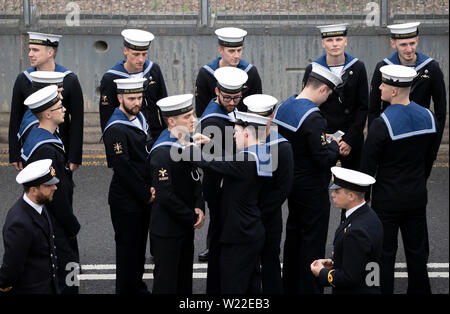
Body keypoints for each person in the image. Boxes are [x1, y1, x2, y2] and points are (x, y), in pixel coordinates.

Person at [361, 64, 440, 294]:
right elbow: (429, 157)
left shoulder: (381, 124)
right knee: (417, 254)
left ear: (394, 90)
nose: (380, 87)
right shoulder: (428, 116)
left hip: (387, 200)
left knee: (383, 254)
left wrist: (364, 199)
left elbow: (368, 167)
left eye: (384, 84)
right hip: (416, 196)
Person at [272, 63, 343, 294]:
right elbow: (323, 158)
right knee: (312, 242)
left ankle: (290, 285)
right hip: (312, 188)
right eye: (329, 93)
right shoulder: (314, 118)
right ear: (322, 88)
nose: (328, 98)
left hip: (291, 183)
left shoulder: (285, 106)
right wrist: (334, 145)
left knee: (294, 237)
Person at [191, 110, 273, 294]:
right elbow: (230, 161)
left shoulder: (245, 160)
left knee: (232, 287)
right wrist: (210, 143)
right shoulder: (262, 152)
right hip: (251, 230)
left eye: (235, 131)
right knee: (251, 285)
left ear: (246, 133)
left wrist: (190, 147)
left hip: (239, 235)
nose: (233, 135)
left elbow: (212, 163)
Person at [20, 85, 81, 294]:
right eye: (59, 106)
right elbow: (56, 195)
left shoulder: (37, 136)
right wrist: (71, 226)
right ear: (47, 114)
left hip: (47, 220)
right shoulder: (46, 148)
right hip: (56, 224)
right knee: (68, 278)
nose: (64, 109)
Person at [195, 67, 248, 293]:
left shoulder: (228, 108)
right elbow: (217, 160)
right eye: (227, 97)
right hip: (219, 189)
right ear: (217, 91)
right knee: (220, 242)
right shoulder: (212, 121)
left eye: (237, 97)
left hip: (223, 187)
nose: (233, 102)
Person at [102, 78, 155, 294]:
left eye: (140, 97)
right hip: (127, 199)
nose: (137, 102)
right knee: (127, 252)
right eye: (131, 98)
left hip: (141, 194)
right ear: (119, 98)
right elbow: (122, 167)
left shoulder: (139, 117)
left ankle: (137, 287)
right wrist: (146, 194)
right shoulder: (116, 128)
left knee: (138, 249)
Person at [148, 94, 205, 294]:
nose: (193, 120)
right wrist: (190, 216)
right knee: (167, 283)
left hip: (184, 224)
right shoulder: (162, 152)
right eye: (187, 116)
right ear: (171, 121)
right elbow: (165, 195)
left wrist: (199, 204)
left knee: (183, 282)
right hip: (168, 229)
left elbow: (196, 175)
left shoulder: (186, 141)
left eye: (193, 114)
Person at [9, 32, 84, 173]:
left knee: (62, 189)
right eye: (30, 49)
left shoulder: (69, 80)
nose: (30, 54)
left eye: (35, 50)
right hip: (31, 147)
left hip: (61, 146)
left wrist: (75, 156)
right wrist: (14, 153)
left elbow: (77, 121)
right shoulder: (23, 79)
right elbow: (15, 118)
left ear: (50, 52)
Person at [243, 94, 294, 294]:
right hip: (253, 214)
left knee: (270, 262)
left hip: (264, 215)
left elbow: (283, 188)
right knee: (250, 265)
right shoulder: (242, 140)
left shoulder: (281, 146)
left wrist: (259, 210)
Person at [368, 22, 447, 147]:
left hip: (421, 133)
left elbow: (440, 111)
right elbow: (373, 109)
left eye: (412, 43)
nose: (409, 49)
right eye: (403, 45)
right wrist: (373, 142)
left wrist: (434, 146)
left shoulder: (431, 67)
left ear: (417, 40)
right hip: (390, 134)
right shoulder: (383, 67)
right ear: (393, 43)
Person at [302, 23, 368, 170]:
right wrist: (324, 137)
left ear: (346, 41)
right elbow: (308, 105)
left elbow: (363, 107)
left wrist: (350, 140)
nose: (334, 44)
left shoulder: (358, 67)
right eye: (330, 40)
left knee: (353, 186)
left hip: (352, 138)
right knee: (320, 184)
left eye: (338, 39)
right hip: (323, 137)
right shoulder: (313, 69)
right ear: (323, 43)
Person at [311, 166, 383, 294]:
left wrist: (322, 273)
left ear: (351, 196)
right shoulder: (368, 215)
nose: (332, 194)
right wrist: (335, 263)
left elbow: (349, 278)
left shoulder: (356, 232)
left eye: (337, 191)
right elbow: (360, 259)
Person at [0, 159, 59, 295]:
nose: (54, 187)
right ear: (33, 190)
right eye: (48, 185)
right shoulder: (19, 223)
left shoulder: (39, 205)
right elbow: (11, 269)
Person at [99, 28, 168, 140]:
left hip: (155, 134)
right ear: (125, 51)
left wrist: (167, 134)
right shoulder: (111, 77)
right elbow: (107, 115)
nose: (141, 59)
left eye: (144, 54)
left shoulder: (153, 69)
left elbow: (163, 103)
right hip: (127, 136)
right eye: (136, 54)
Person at [195, 27, 262, 117]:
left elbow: (258, 107)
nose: (237, 55)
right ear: (220, 50)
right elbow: (201, 110)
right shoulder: (206, 74)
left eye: (239, 50)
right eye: (231, 51)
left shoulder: (250, 72)